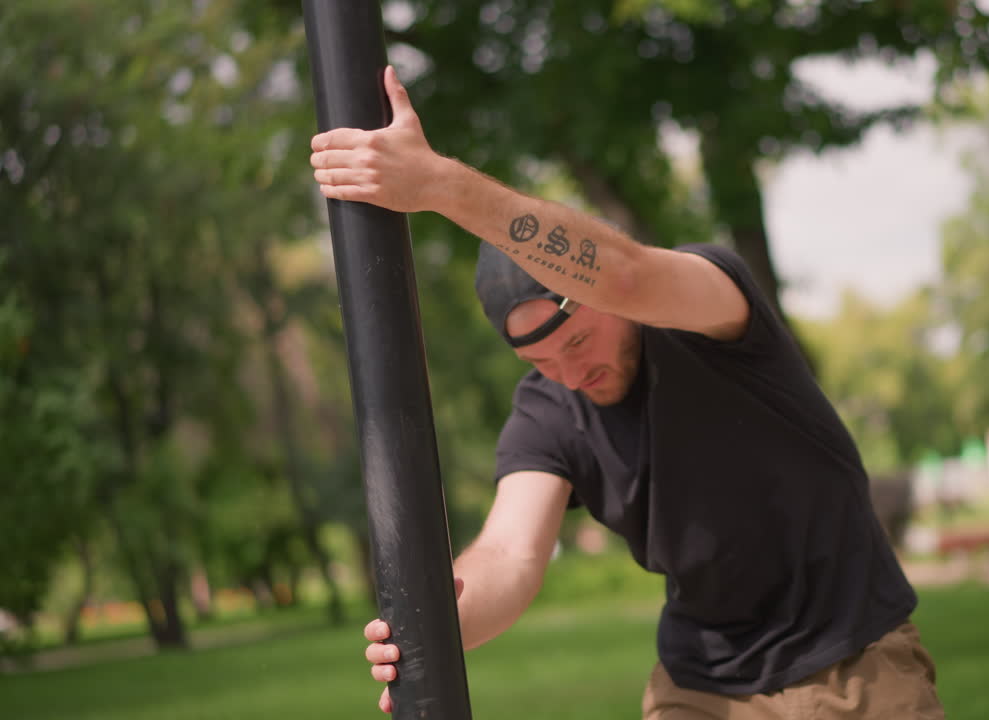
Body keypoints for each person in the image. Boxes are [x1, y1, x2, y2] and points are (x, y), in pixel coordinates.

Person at [310, 66, 943, 719]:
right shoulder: (547, 413)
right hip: (703, 684)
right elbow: (510, 552)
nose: (569, 373)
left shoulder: (708, 312)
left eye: (578, 343)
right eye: (541, 360)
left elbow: (628, 276)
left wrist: (439, 184)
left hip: (851, 664)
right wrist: (440, 624)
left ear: (602, 300)